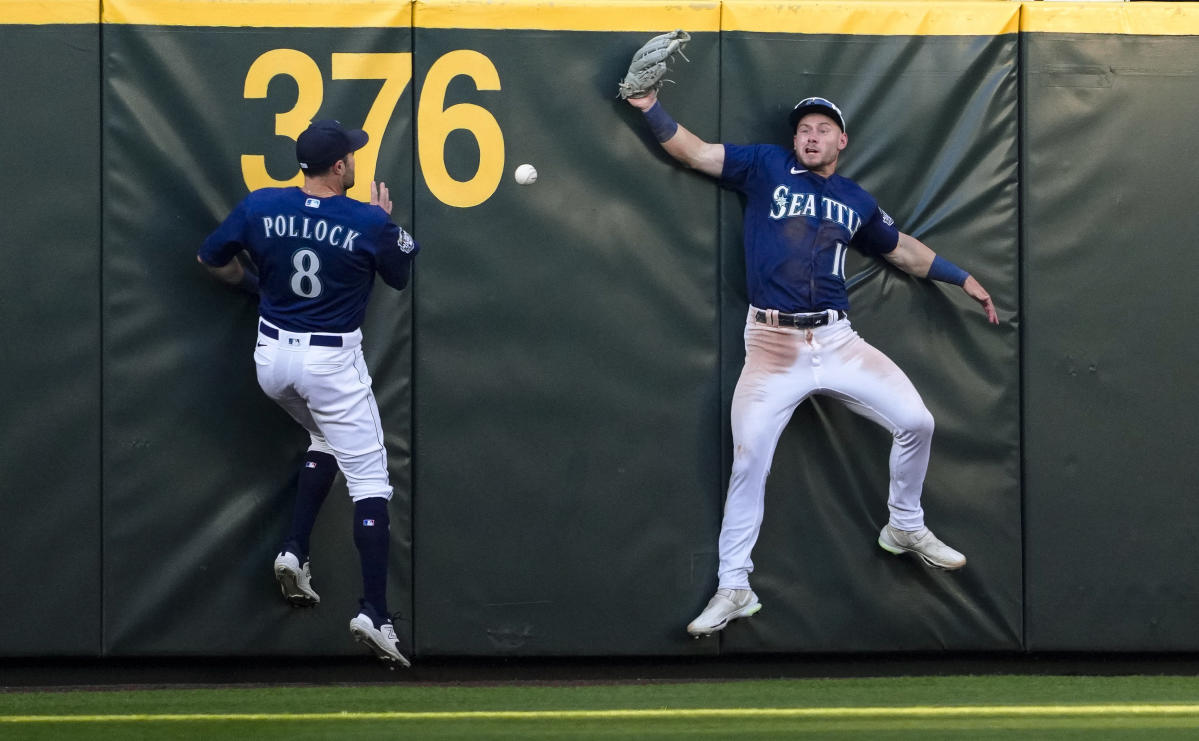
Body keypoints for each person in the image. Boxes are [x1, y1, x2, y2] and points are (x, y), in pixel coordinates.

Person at [626, 91, 999, 637]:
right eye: (804, 128)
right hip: (772, 345)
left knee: (918, 422)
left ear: (841, 140)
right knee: (749, 460)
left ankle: (904, 525)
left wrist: (963, 278)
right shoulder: (766, 165)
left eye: (823, 128)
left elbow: (902, 252)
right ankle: (735, 585)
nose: (811, 135)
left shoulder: (855, 199)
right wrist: (647, 107)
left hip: (838, 340)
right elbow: (696, 153)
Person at [197, 119, 419, 665]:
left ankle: (294, 550)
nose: (354, 160)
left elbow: (210, 259)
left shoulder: (260, 206)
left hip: (272, 359)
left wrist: (252, 287)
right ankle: (375, 612)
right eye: (351, 155)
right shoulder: (367, 219)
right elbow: (399, 273)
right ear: (339, 166)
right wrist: (384, 223)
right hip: (330, 362)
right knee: (370, 484)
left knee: (324, 438)